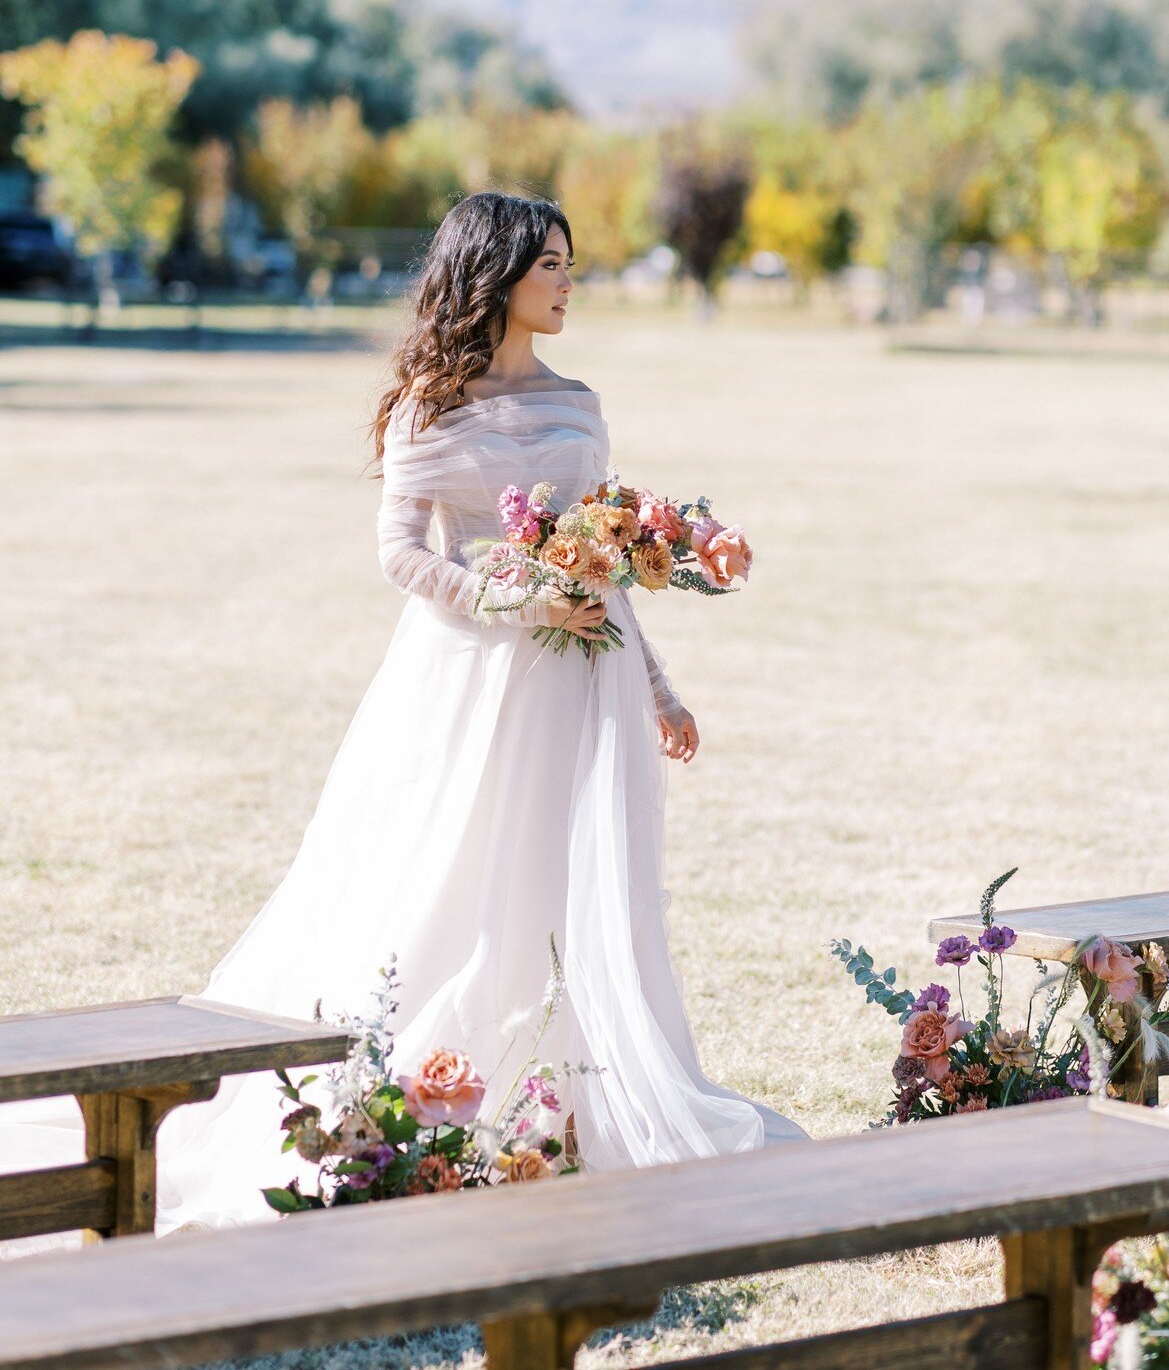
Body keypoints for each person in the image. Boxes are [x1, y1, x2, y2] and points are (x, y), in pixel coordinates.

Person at [0, 191, 805, 1240]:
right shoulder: (431, 405)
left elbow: (602, 564)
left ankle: (566, 1086)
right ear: (499, 273)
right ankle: (435, 1081)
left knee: (570, 873)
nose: (569, 280)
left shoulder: (581, 402)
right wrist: (508, 597)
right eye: (551, 262)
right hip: (474, 674)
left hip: (583, 680)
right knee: (457, 868)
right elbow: (400, 552)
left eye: (571, 260)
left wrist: (659, 690)